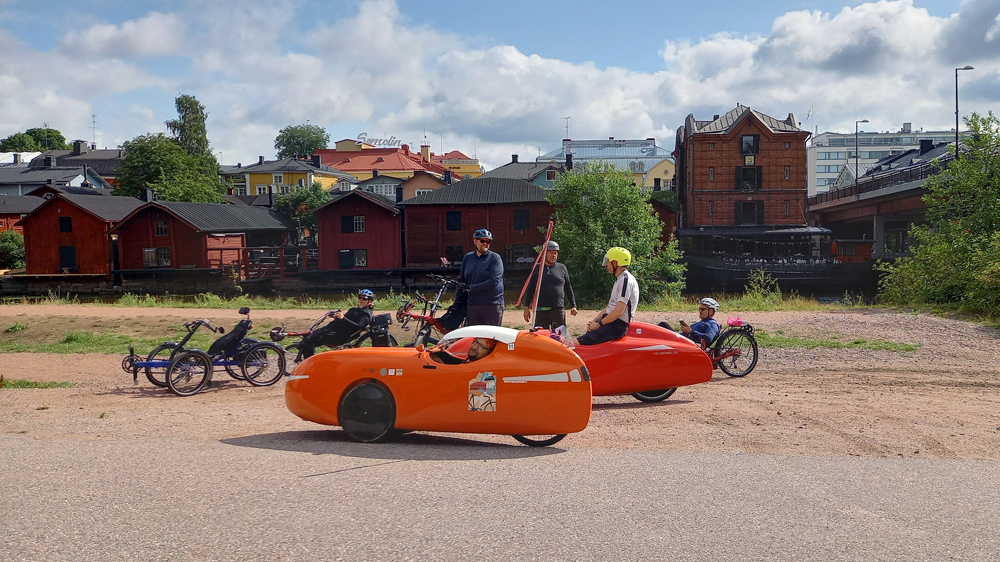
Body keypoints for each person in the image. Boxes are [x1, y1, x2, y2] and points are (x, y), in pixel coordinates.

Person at [570, 247, 638, 347]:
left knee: (574, 344)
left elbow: (618, 311)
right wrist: (595, 321)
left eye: (608, 261)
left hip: (616, 325)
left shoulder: (625, 281)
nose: (606, 264)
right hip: (611, 322)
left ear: (615, 263)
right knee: (583, 339)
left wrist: (599, 324)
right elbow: (610, 307)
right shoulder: (620, 279)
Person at [297, 289, 375, 358]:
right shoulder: (359, 310)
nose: (361, 299)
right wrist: (338, 316)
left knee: (308, 340)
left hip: (338, 335)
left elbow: (359, 326)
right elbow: (349, 319)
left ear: (370, 301)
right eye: (360, 297)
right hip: (332, 330)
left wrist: (343, 318)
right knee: (308, 336)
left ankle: (310, 364)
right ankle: (310, 358)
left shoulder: (365, 314)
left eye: (364, 298)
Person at [522, 240, 578, 330]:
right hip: (541, 310)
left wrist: (573, 305)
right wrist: (526, 307)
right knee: (540, 335)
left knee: (559, 335)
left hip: (557, 309)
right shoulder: (537, 268)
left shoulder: (562, 268)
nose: (553, 255)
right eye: (551, 253)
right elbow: (531, 288)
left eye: (555, 253)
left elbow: (568, 288)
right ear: (544, 254)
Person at [459, 228, 505, 326]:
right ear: (475, 241)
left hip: (492, 304)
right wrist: (457, 302)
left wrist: (471, 288)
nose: (485, 244)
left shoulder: (495, 258)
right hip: (473, 304)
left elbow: (494, 282)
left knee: (491, 335)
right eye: (483, 241)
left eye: (488, 242)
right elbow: (461, 280)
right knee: (471, 334)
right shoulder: (468, 258)